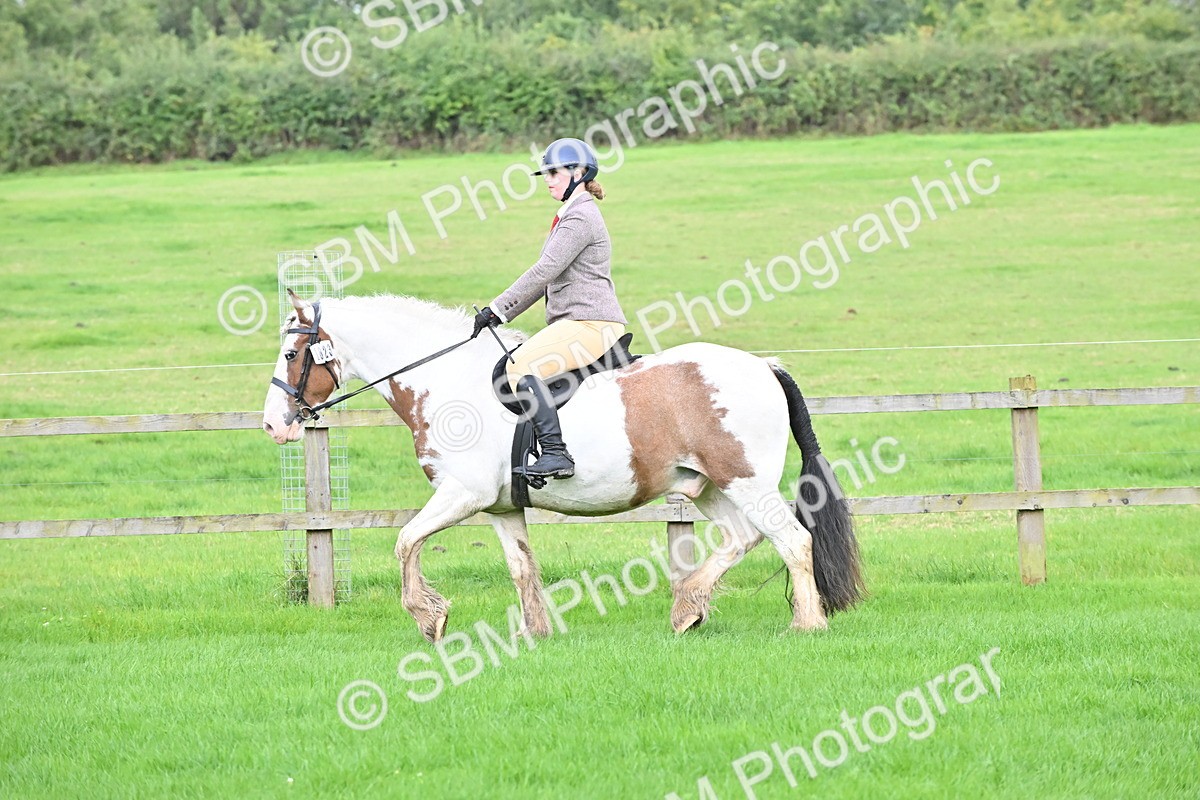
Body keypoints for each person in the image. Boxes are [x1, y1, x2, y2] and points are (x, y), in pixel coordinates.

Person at [473, 138, 627, 481]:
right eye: (545, 173)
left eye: (554, 173)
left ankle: (556, 453)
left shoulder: (580, 217)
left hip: (590, 323)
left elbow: (545, 270)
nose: (547, 179)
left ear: (579, 172)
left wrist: (497, 308)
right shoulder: (571, 213)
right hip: (581, 322)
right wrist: (500, 314)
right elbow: (547, 278)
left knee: (519, 367)